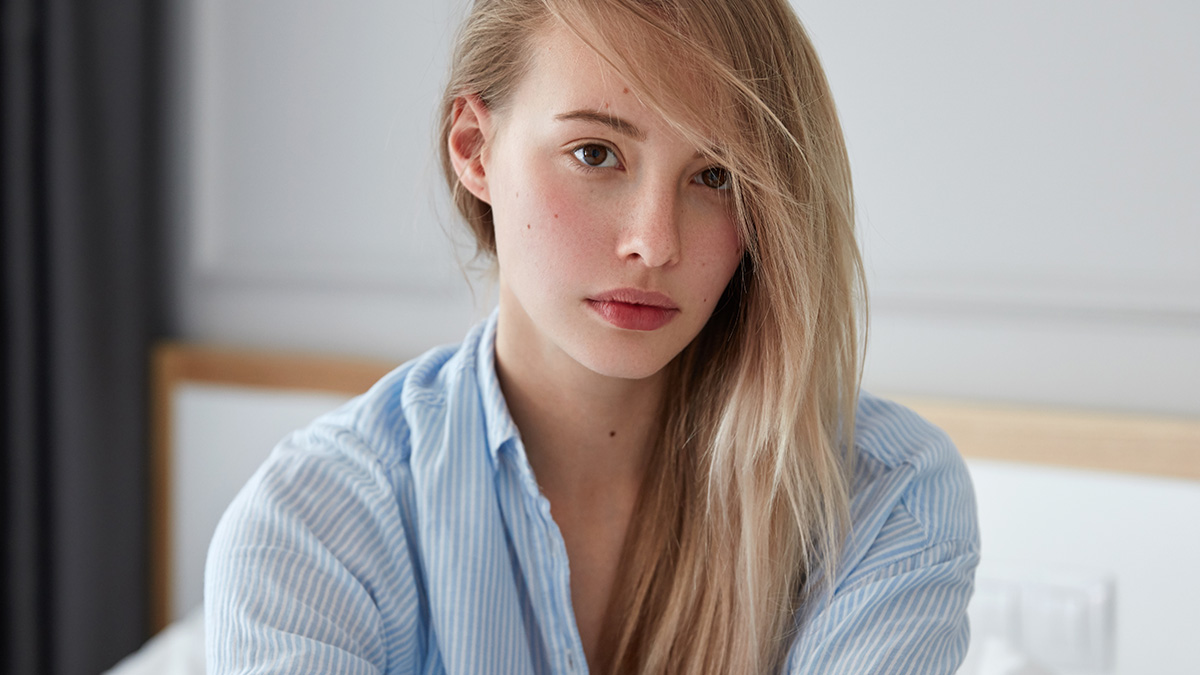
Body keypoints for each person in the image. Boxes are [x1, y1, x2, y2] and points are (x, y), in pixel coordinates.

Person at [205, 0, 980, 673]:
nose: (656, 242)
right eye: (596, 153)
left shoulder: (883, 498)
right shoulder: (314, 527)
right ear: (474, 147)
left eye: (716, 176)